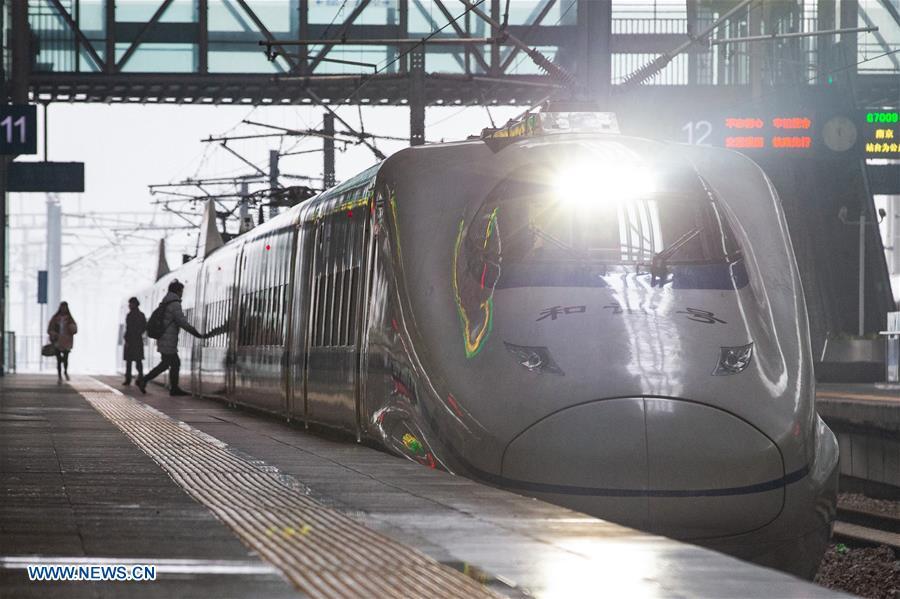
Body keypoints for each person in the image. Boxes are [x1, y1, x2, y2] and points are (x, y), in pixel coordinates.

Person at [136, 280, 204, 396]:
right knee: (173, 363)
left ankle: (149, 381)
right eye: (181, 291)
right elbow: (182, 322)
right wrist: (196, 333)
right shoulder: (175, 304)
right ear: (177, 291)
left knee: (168, 363)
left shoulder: (166, 302)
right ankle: (165, 386)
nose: (182, 293)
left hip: (164, 339)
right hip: (168, 340)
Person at [47, 301, 77, 382]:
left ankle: (65, 372)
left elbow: (74, 330)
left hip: (67, 341)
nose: (63, 309)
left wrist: (72, 328)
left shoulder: (70, 319)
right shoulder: (55, 318)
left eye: (65, 307)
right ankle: (60, 376)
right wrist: (53, 334)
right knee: (59, 359)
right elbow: (50, 328)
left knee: (65, 358)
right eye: (62, 307)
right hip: (57, 341)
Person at [122, 297, 147, 386]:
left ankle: (128, 379)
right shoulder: (142, 315)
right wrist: (138, 333)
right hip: (138, 340)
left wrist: (127, 339)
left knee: (129, 362)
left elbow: (128, 329)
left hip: (131, 341)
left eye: (130, 303)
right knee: (138, 361)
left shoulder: (130, 315)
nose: (129, 305)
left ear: (134, 304)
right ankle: (140, 378)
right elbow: (144, 327)